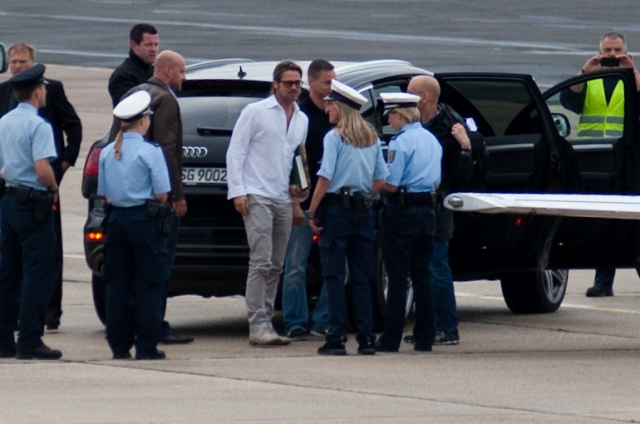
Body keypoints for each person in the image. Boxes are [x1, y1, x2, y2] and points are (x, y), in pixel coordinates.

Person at [0, 41, 83, 331]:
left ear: (33, 64)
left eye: (22, 62)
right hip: (22, 189)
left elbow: (73, 125)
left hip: (38, 189)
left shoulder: (52, 91)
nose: (17, 66)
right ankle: (21, 323)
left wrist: (65, 162)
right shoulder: (5, 94)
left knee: (47, 253)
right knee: (19, 261)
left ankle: (49, 310)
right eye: (13, 62)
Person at [111, 50, 192, 344]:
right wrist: (176, 195)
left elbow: (114, 143)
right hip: (155, 203)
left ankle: (126, 328)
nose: (184, 77)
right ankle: (153, 325)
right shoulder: (166, 99)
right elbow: (168, 148)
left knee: (125, 275)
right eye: (181, 71)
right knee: (157, 270)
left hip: (123, 203)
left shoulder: (133, 94)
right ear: (168, 71)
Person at [226, 60, 309, 346]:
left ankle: (267, 321)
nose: (294, 88)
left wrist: (297, 200)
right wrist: (238, 191)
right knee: (260, 261)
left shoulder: (301, 118)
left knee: (276, 264)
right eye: (288, 83)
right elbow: (236, 151)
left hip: (283, 198)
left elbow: (296, 159)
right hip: (257, 194)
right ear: (275, 84)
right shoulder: (256, 112)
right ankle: (257, 323)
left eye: (297, 83)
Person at [307, 79, 389, 356]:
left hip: (336, 211)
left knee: (333, 276)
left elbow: (325, 177)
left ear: (341, 108)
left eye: (330, 105)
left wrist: (312, 210)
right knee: (362, 278)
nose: (327, 109)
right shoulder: (372, 138)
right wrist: (364, 197)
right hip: (362, 212)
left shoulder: (334, 137)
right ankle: (366, 339)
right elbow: (380, 179)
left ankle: (336, 337)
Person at [560, 32, 640, 297]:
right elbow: (569, 101)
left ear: (626, 52)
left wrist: (632, 71)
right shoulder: (590, 80)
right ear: (600, 52)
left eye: (617, 50)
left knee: (633, 220)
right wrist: (585, 72)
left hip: (627, 157)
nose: (612, 55)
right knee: (603, 220)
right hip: (595, 157)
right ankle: (603, 282)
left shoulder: (631, 79)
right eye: (607, 50)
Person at [99, 90, 171, 360]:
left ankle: (119, 346)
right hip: (144, 222)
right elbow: (162, 194)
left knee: (117, 286)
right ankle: (146, 346)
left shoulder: (107, 152)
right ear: (143, 121)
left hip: (116, 221)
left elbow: (104, 194)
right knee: (148, 285)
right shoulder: (151, 152)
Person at [405, 75, 474, 345]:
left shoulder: (450, 126)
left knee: (437, 267)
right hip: (418, 203)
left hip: (439, 205)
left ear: (423, 97)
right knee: (421, 269)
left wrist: (465, 147)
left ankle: (447, 328)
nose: (405, 97)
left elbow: (462, 176)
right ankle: (427, 327)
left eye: (410, 92)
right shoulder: (413, 123)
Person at [0, 64, 62, 360]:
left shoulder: (4, 121)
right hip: (33, 204)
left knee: (8, 273)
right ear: (37, 92)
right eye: (43, 88)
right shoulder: (39, 126)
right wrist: (53, 187)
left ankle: (3, 339)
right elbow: (42, 169)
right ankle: (30, 339)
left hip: (9, 201)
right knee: (38, 273)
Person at [375, 93, 442, 353]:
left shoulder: (400, 143)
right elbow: (437, 181)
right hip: (427, 210)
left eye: (390, 116)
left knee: (397, 275)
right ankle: (426, 335)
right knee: (422, 274)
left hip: (402, 212)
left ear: (400, 114)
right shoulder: (432, 139)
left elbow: (392, 184)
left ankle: (391, 337)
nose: (389, 122)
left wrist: (375, 181)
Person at [282, 59, 335, 341]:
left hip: (332, 201)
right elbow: (291, 157)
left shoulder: (337, 114)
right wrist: (296, 201)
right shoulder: (299, 115)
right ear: (311, 82)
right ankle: (295, 322)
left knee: (336, 268)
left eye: (333, 82)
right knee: (295, 266)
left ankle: (323, 320)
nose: (331, 88)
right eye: (327, 82)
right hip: (302, 200)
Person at [108, 23, 159, 107]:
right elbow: (127, 109)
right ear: (133, 45)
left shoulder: (154, 71)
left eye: (156, 44)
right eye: (148, 45)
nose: (153, 49)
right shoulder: (123, 76)